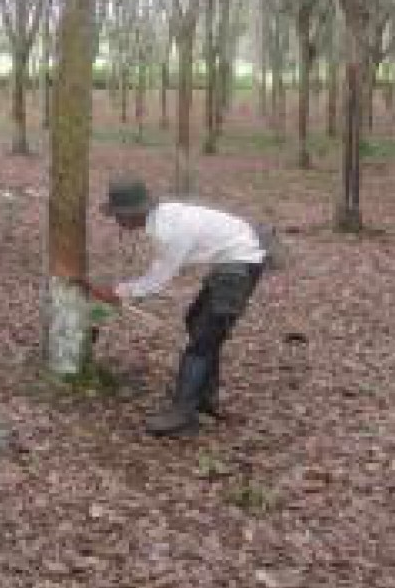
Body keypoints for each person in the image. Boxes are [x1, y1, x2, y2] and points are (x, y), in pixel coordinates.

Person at [87, 177, 276, 437]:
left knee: (203, 339)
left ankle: (183, 415)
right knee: (196, 322)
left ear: (135, 214)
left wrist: (118, 292)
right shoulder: (161, 219)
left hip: (240, 261)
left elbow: (159, 279)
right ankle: (204, 398)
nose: (117, 222)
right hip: (231, 258)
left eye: (119, 216)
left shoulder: (169, 231)